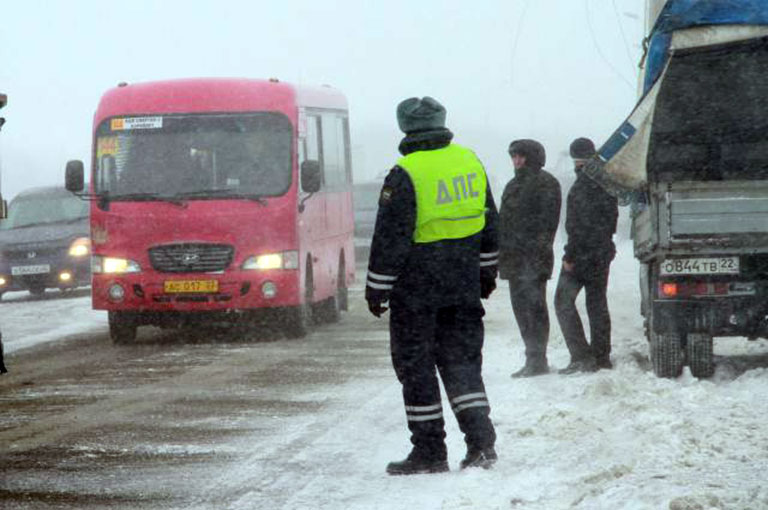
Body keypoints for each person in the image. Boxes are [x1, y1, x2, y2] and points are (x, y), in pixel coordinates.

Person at [365, 96, 500, 475]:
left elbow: (390, 238)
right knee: (462, 366)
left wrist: (377, 289)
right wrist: (485, 274)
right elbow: (490, 226)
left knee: (417, 369)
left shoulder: (405, 172)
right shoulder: (470, 162)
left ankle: (429, 451)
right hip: (462, 288)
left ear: (404, 127)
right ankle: (481, 444)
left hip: (417, 293)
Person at [555, 137, 619, 373]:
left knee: (562, 301)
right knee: (597, 303)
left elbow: (578, 225)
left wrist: (570, 255)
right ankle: (602, 356)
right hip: (602, 251)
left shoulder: (584, 185)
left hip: (582, 254)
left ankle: (581, 356)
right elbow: (609, 220)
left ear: (577, 160)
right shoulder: (606, 182)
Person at [498, 139, 561, 377]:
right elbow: (504, 222)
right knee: (520, 309)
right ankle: (531, 357)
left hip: (533, 259)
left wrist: (534, 252)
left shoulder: (546, 183)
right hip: (513, 259)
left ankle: (537, 359)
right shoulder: (512, 185)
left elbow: (547, 224)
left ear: (533, 157)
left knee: (534, 309)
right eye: (513, 156)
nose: (516, 161)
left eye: (521, 156)